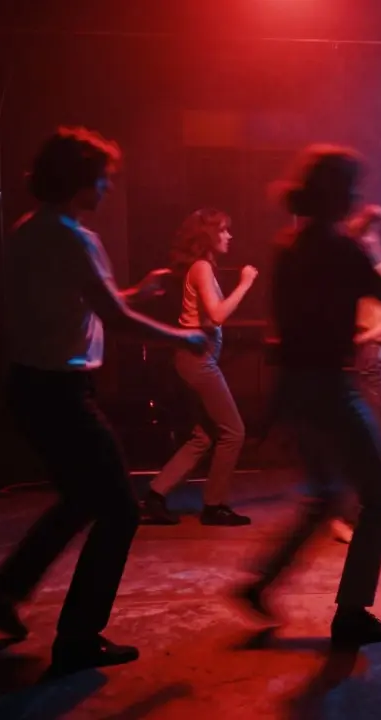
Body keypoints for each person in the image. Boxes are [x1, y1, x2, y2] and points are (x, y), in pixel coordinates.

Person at [0, 127, 209, 674]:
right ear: (81, 180)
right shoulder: (76, 238)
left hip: (29, 388)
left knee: (80, 500)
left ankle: (1, 595)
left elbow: (81, 303)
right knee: (120, 510)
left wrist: (132, 292)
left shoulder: (30, 231)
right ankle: (78, 637)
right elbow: (116, 320)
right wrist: (183, 336)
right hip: (61, 393)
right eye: (103, 177)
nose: (106, 187)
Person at [236, 144, 381, 648]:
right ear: (337, 195)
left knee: (323, 500)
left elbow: (291, 323)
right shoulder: (342, 252)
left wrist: (273, 404)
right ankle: (352, 613)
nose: (358, 196)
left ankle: (260, 585)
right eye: (353, 188)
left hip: (297, 386)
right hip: (331, 389)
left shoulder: (288, 247)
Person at [141, 209, 257, 527]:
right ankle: (214, 506)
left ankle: (155, 494)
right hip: (197, 361)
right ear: (207, 236)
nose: (229, 236)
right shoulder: (202, 267)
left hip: (196, 360)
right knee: (234, 432)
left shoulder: (202, 267)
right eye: (222, 231)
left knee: (204, 437)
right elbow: (217, 315)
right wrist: (245, 283)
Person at [330, 204, 381, 547]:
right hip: (368, 360)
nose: (371, 240)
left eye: (372, 234)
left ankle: (356, 515)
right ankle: (361, 518)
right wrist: (366, 336)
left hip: (376, 356)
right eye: (363, 237)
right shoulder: (355, 279)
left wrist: (368, 334)